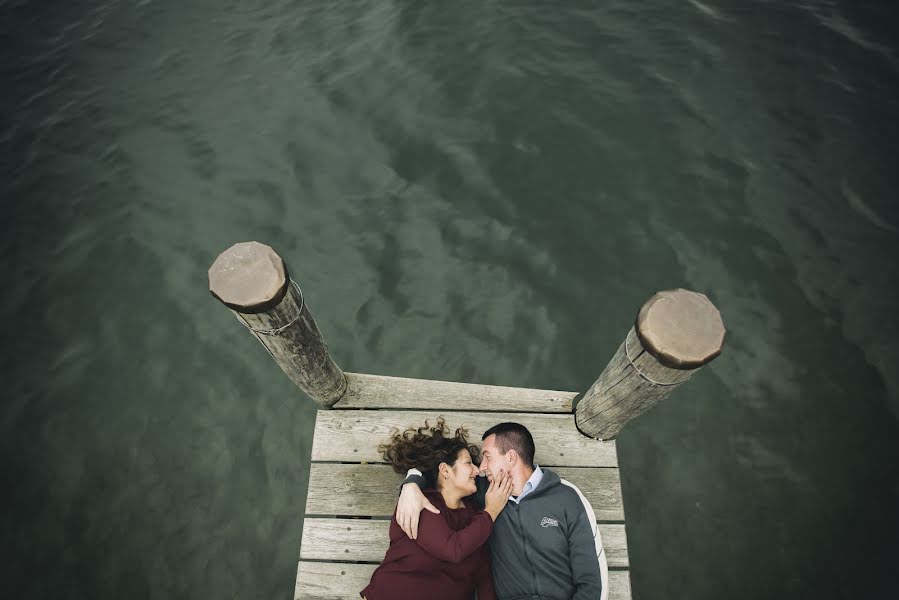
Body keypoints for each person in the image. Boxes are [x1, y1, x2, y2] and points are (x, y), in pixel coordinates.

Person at [396, 422, 603, 600]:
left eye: (487, 457)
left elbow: (591, 581)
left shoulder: (565, 497)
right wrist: (411, 483)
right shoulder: (480, 493)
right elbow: (439, 471)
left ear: (511, 457)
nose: (482, 467)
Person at [360, 418, 515, 600]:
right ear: (445, 470)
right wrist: (491, 511)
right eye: (468, 463)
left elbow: (483, 574)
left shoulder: (475, 517)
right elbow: (452, 549)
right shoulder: (421, 504)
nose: (477, 470)